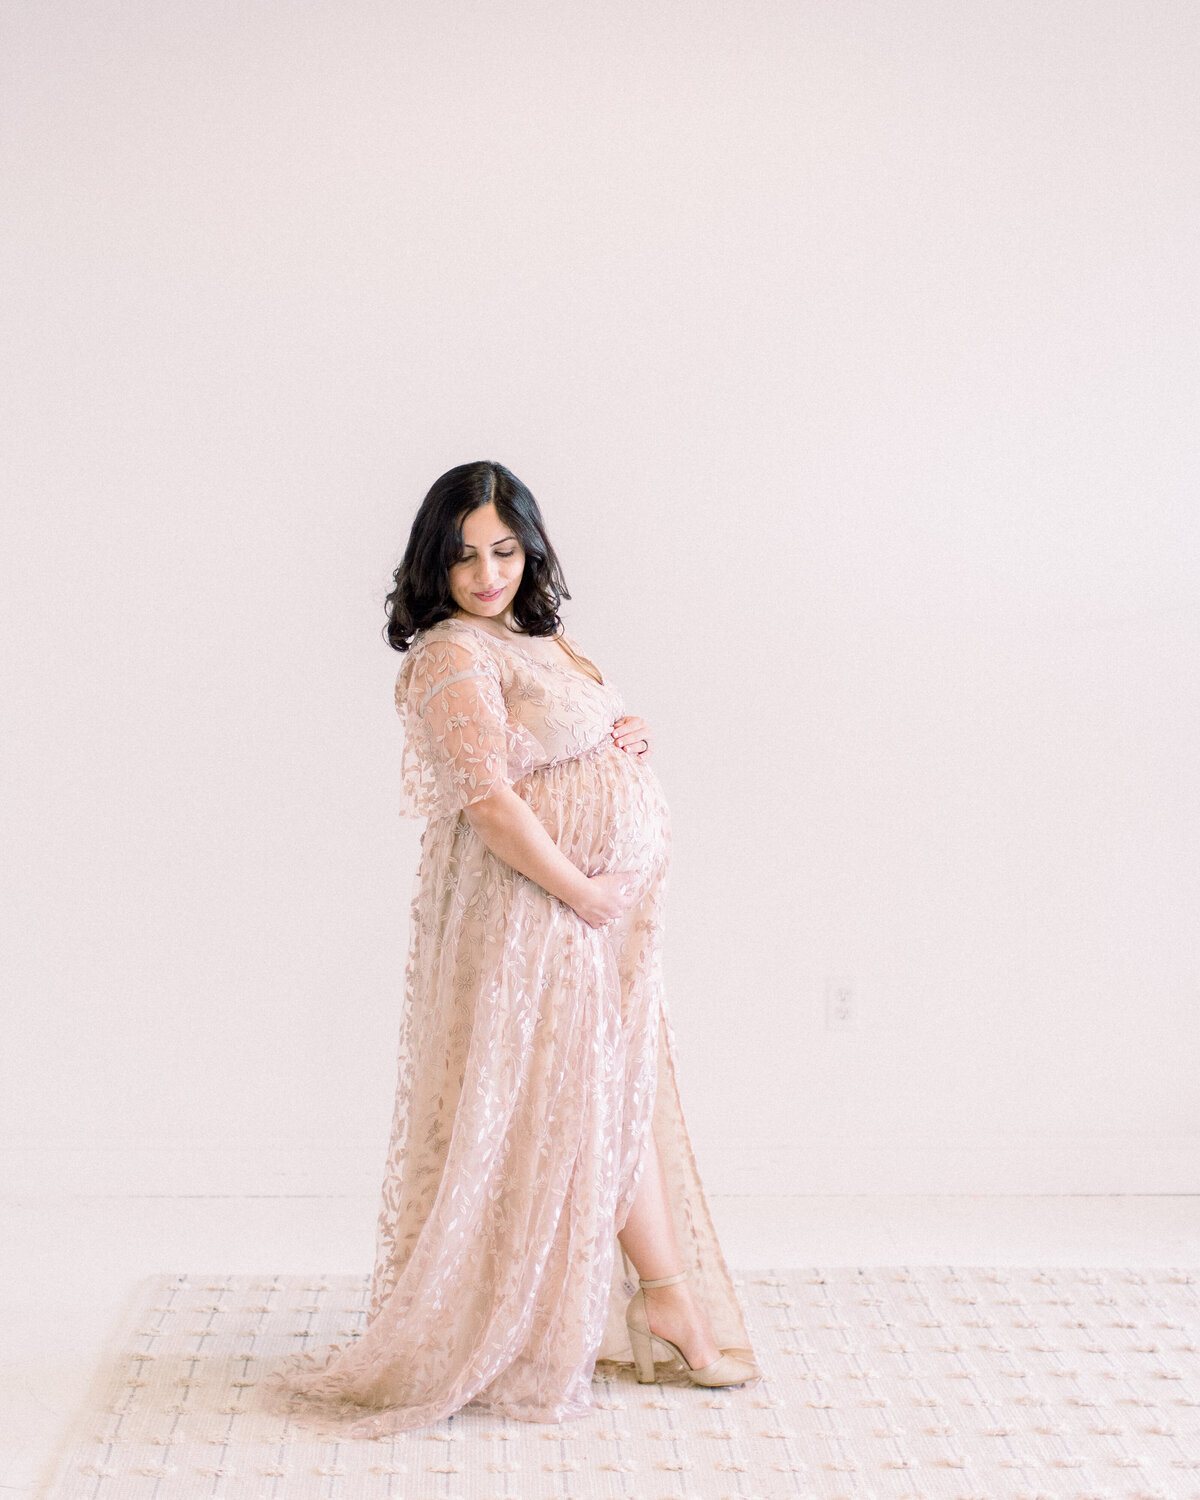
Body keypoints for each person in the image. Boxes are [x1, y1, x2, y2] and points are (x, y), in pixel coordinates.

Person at [264, 460, 757, 1438]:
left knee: (615, 1096)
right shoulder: (452, 653)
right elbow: (486, 800)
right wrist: (581, 893)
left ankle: (659, 1297)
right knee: (581, 1104)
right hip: (534, 913)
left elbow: (563, 737)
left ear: (529, 548)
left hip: (587, 918)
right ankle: (656, 1302)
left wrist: (626, 736)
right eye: (464, 556)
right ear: (433, 564)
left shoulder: (530, 635)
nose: (488, 572)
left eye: (503, 549)